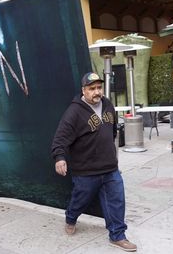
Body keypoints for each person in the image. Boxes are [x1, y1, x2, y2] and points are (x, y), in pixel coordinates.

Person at [51, 72, 137, 252]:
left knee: (117, 201)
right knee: (80, 200)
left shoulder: (108, 105)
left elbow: (112, 132)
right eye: (92, 89)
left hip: (110, 168)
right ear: (84, 90)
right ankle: (71, 217)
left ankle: (117, 235)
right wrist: (60, 158)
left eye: (99, 87)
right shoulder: (74, 112)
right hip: (86, 171)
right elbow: (60, 139)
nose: (97, 92)